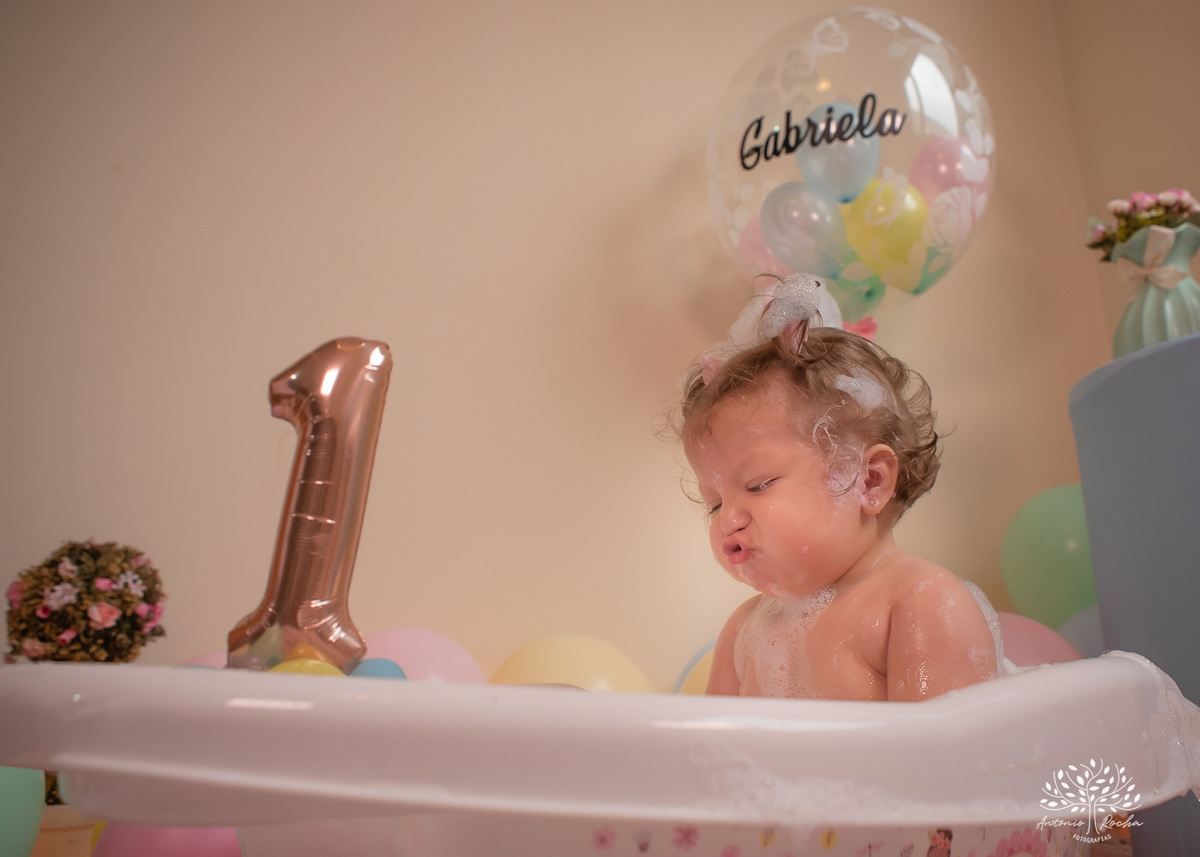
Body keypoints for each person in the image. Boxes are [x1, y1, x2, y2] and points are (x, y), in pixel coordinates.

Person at [680, 273, 998, 701]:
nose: (728, 520)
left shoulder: (919, 602)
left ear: (868, 481)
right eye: (715, 503)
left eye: (758, 485)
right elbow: (711, 739)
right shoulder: (742, 632)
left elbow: (942, 741)